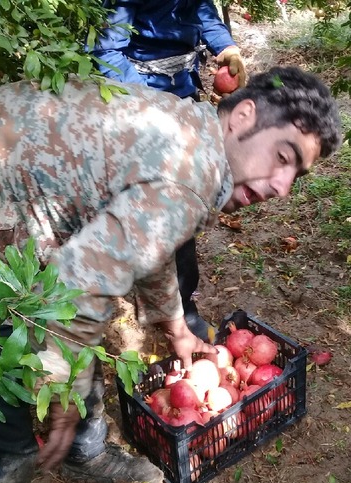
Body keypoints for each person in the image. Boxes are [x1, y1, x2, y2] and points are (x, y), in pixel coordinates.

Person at [0, 66, 341, 483]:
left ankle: (82, 454)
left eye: (295, 175)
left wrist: (174, 326)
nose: (282, 187)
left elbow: (141, 242)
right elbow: (81, 283)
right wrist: (62, 392)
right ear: (244, 115)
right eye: (283, 157)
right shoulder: (187, 178)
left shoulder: (186, 128)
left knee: (76, 332)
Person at [92, 0, 248, 341]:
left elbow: (203, 13)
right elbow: (107, 53)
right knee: (155, 203)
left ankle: (182, 306)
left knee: (182, 209)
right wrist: (154, 107)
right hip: (140, 103)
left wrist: (227, 47)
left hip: (183, 94)